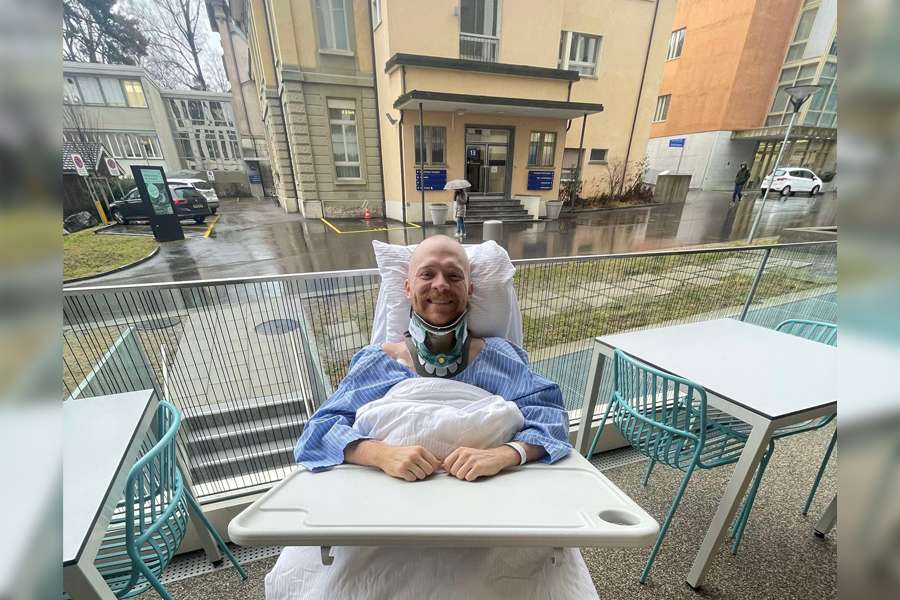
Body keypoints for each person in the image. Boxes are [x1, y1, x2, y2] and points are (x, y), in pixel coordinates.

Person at [294, 234, 570, 480]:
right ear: (407, 288)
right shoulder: (377, 362)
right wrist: (381, 455)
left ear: (470, 289)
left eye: (454, 276)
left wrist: (505, 455)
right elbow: (317, 433)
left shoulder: (501, 357)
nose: (441, 285)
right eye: (427, 275)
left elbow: (553, 421)